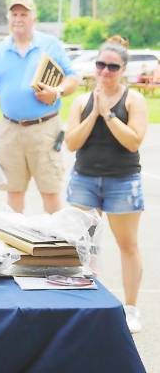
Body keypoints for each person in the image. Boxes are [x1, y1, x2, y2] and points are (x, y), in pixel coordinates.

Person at [65, 36, 148, 333]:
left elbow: (133, 141)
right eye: (101, 64)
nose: (105, 71)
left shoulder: (133, 100)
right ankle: (87, 304)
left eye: (113, 66)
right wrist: (95, 112)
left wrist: (109, 114)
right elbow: (71, 142)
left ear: (123, 69)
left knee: (127, 245)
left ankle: (131, 308)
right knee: (83, 246)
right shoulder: (81, 101)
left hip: (123, 181)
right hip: (85, 178)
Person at [0, 0, 79, 214]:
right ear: (9, 18)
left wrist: (57, 91)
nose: (18, 19)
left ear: (33, 17)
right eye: (14, 14)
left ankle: (56, 245)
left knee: (51, 192)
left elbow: (73, 78)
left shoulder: (50, 44)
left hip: (45, 128)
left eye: (23, 14)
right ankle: (14, 247)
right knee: (13, 193)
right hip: (10, 130)